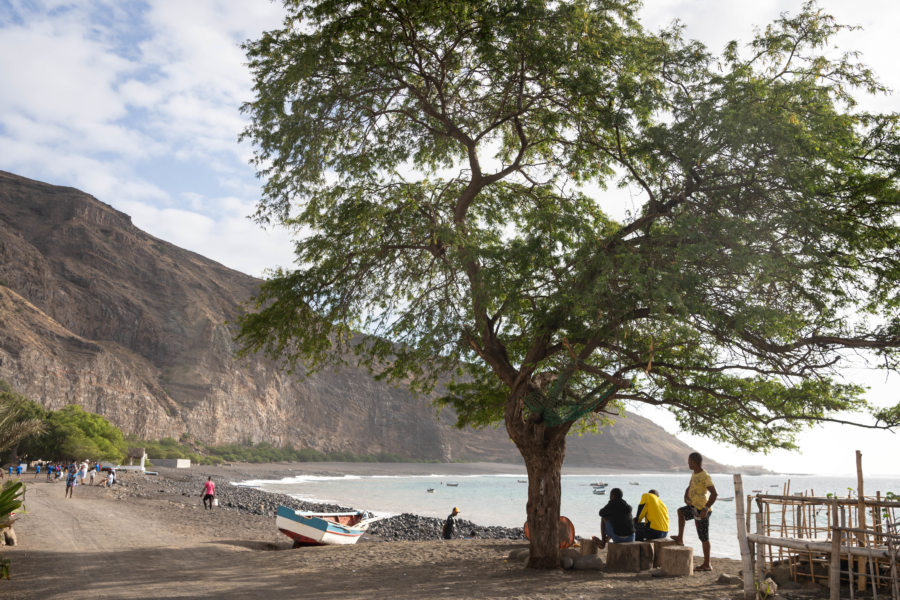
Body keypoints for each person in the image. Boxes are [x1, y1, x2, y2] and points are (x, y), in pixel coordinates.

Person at [672, 451, 718, 572]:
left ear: (694, 462)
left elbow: (714, 494)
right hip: (693, 507)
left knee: (703, 537)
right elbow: (690, 486)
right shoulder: (694, 474)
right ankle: (680, 538)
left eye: (689, 461)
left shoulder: (705, 476)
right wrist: (685, 496)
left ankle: (707, 564)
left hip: (702, 510)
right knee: (680, 512)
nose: (688, 463)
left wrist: (706, 508)